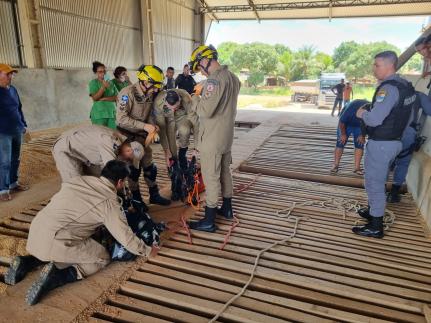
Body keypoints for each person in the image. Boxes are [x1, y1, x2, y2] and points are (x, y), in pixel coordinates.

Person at [4, 160, 153, 305]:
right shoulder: (109, 202)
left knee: (65, 240)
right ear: (120, 182)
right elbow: (125, 237)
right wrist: (147, 250)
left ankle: (26, 262)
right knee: (101, 258)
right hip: (56, 240)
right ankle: (57, 276)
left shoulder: (79, 180)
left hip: (36, 231)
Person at [354, 51, 416, 238]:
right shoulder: (406, 86)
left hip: (381, 144)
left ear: (390, 66)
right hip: (395, 141)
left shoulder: (388, 89)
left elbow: (374, 119)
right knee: (376, 180)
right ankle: (374, 210)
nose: (374, 69)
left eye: (377, 65)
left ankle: (375, 225)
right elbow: (409, 118)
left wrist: (362, 114)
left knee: (374, 183)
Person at [187, 45, 241, 232]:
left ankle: (209, 220)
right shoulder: (233, 78)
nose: (200, 72)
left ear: (204, 61)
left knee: (211, 178)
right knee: (225, 172)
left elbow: (205, 110)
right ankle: (226, 209)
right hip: (226, 136)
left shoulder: (214, 81)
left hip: (212, 138)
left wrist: (195, 96)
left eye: (199, 67)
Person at [51, 124, 148, 208]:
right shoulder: (110, 142)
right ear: (129, 150)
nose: (128, 162)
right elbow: (112, 174)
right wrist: (122, 195)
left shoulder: (119, 145)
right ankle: (72, 218)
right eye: (129, 159)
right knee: (77, 187)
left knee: (96, 182)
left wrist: (124, 192)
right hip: (66, 150)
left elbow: (107, 174)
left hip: (84, 154)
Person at [116, 64, 170, 206]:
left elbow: (150, 113)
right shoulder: (126, 94)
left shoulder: (150, 93)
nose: (157, 89)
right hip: (127, 137)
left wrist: (153, 125)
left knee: (150, 167)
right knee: (133, 170)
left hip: (142, 137)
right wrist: (145, 126)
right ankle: (136, 199)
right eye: (155, 85)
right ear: (145, 82)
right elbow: (121, 119)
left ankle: (154, 194)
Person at [0, 64, 28, 202]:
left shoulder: (13, 90)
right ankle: (3, 190)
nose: (11, 76)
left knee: (15, 159)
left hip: (16, 129)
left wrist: (23, 124)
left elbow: (19, 108)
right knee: (4, 161)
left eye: (12, 74)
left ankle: (13, 183)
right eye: (7, 74)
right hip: (2, 132)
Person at [153, 89, 199, 170]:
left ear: (180, 100)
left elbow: (196, 123)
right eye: (171, 108)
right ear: (165, 102)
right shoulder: (158, 102)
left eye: (176, 107)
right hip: (168, 119)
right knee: (170, 146)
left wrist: (196, 148)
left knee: (185, 130)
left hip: (181, 117)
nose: (173, 110)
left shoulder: (186, 99)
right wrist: (166, 150)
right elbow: (162, 129)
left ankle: (182, 153)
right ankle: (173, 164)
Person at [331, 99, 368, 176]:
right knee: (341, 142)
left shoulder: (372, 111)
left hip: (360, 126)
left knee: (360, 143)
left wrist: (363, 135)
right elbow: (342, 123)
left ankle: (357, 168)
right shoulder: (350, 110)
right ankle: (335, 165)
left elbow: (370, 125)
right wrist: (343, 134)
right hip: (346, 124)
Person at [88, 61, 118, 129]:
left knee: (113, 135)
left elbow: (117, 97)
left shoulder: (111, 83)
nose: (103, 73)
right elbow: (95, 98)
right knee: (100, 135)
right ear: (96, 73)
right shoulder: (93, 83)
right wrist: (103, 87)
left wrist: (104, 99)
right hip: (99, 114)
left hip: (112, 113)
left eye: (104, 71)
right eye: (100, 71)